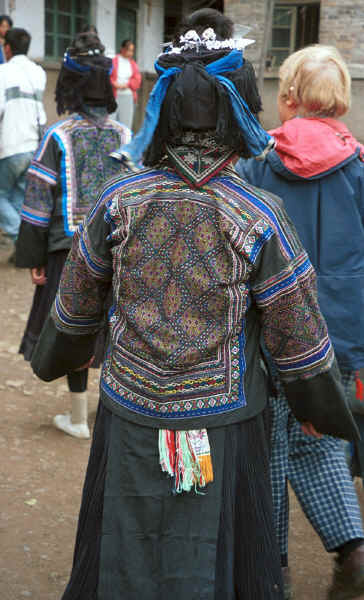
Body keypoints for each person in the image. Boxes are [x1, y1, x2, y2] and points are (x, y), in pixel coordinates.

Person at [31, 11, 358, 600]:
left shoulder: (119, 203)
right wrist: (322, 407)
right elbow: (299, 335)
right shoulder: (257, 215)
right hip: (226, 426)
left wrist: (57, 355)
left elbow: (75, 309)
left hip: (130, 414)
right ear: (237, 109)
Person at [236, 45, 364, 600]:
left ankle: (272, 569)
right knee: (322, 445)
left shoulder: (257, 166)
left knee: (266, 447)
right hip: (337, 342)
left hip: (270, 336)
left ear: (287, 99)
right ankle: (355, 553)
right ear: (342, 101)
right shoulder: (360, 169)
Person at [15, 32, 131, 439]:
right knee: (112, 327)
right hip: (118, 249)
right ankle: (111, 413)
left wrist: (34, 256)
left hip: (69, 254)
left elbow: (37, 198)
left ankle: (78, 417)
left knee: (76, 327)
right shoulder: (123, 136)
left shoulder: (58, 135)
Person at [0, 27, 46, 257]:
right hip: (33, 145)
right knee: (18, 197)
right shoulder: (38, 72)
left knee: (0, 196)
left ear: (7, 48)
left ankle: (22, 238)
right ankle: (21, 249)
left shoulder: (3, 72)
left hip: (10, 145)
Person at [110, 38, 141, 129]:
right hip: (114, 96)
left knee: (126, 126)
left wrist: (126, 85)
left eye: (132, 51)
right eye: (129, 50)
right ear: (122, 49)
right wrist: (114, 84)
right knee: (112, 124)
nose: (131, 53)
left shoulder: (133, 64)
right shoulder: (114, 61)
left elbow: (137, 80)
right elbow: (108, 76)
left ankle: (125, 143)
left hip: (128, 96)